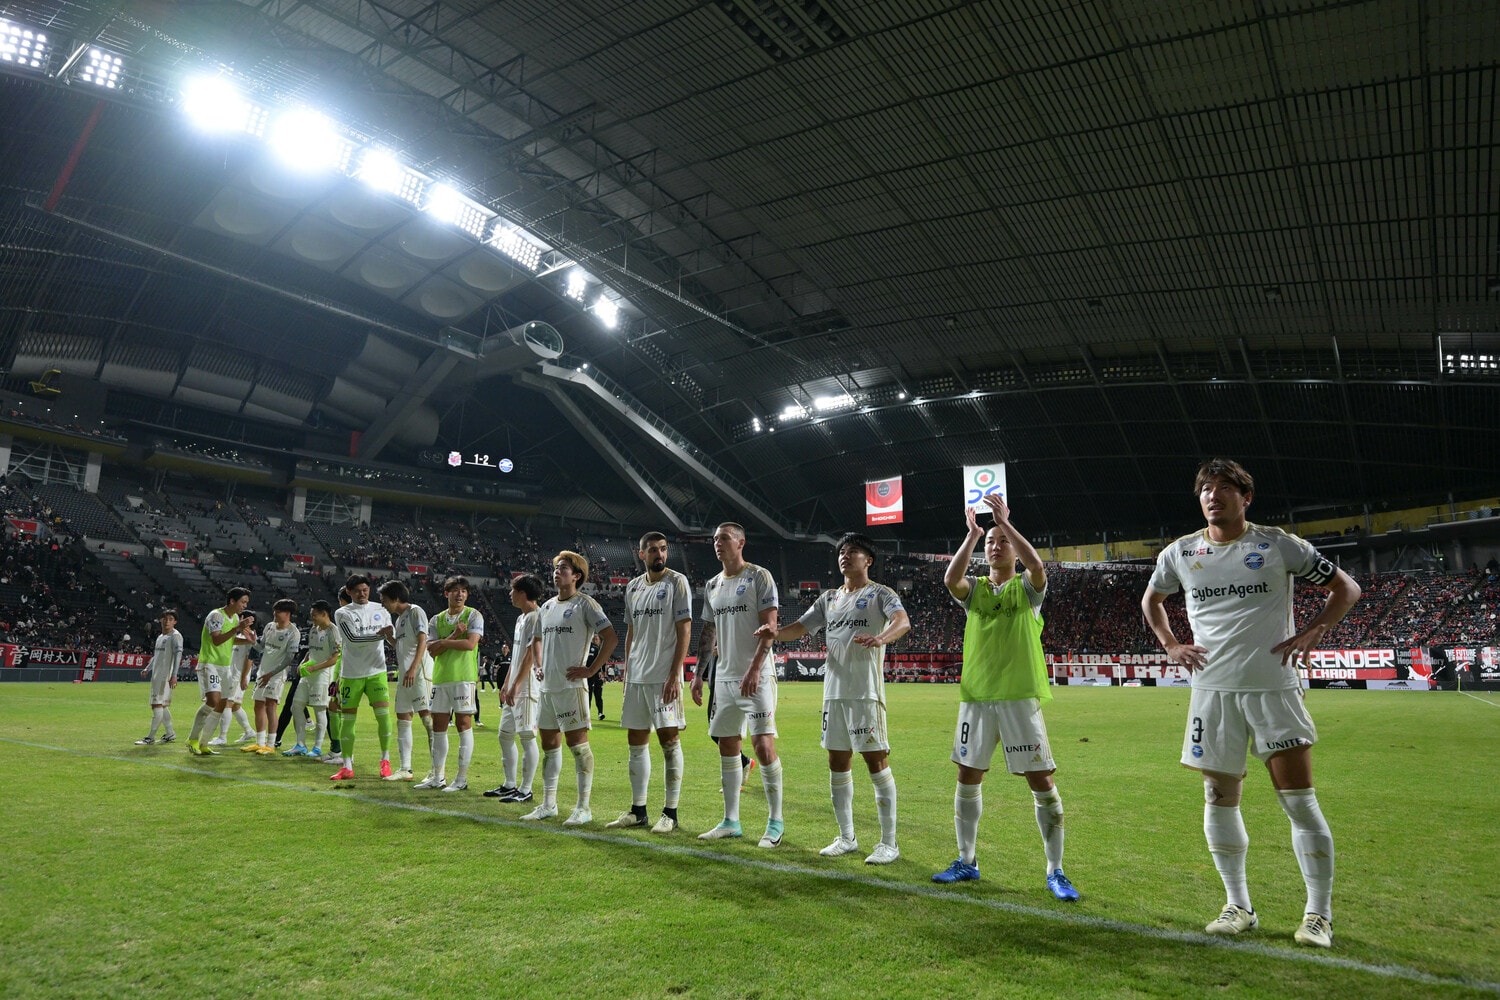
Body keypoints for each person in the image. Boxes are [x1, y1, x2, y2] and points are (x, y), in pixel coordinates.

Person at [1142, 458, 1360, 949]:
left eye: (1223, 488)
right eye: (1204, 489)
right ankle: (1238, 905)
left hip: (1273, 689)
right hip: (1211, 693)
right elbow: (1151, 601)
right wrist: (1171, 644)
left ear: (1246, 497)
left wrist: (1314, 630)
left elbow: (1346, 589)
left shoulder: (1277, 544)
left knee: (1300, 803)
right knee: (1219, 800)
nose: (1212, 496)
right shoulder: (1180, 552)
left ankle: (1318, 915)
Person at [931, 495, 1081, 902]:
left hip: (1018, 698)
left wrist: (1005, 523)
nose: (995, 546)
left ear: (1013, 547)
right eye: (990, 543)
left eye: (1002, 541)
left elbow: (1037, 567)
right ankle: (967, 861)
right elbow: (950, 580)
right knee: (967, 775)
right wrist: (973, 534)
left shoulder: (1027, 591)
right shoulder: (975, 591)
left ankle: (1056, 870)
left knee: (1040, 779)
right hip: (977, 697)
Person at [759, 532, 909, 864]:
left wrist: (881, 637)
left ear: (867, 560)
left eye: (853, 551)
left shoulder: (880, 593)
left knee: (876, 761)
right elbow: (800, 627)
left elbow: (902, 621)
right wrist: (776, 633)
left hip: (865, 693)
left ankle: (889, 843)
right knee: (837, 762)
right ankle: (847, 837)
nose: (845, 556)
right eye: (842, 551)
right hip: (833, 694)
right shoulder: (829, 598)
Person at [691, 522, 784, 847]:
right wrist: (699, 674)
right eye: (715, 539)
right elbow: (708, 633)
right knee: (727, 745)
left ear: (741, 542)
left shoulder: (759, 576)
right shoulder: (714, 584)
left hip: (756, 676)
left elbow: (770, 627)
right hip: (726, 676)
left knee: (763, 746)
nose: (718, 544)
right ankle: (731, 820)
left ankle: (775, 822)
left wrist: (755, 669)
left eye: (725, 538)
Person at [605, 531, 693, 834]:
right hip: (638, 676)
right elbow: (631, 632)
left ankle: (670, 812)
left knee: (669, 742)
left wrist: (674, 674)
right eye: (653, 550)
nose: (659, 555)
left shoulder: (677, 583)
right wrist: (628, 670)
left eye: (663, 549)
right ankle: (638, 810)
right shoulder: (632, 587)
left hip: (663, 676)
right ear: (641, 554)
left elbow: (685, 630)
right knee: (636, 743)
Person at [520, 552, 616, 824]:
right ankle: (549, 804)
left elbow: (610, 637)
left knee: (578, 747)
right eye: (556, 568)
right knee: (549, 746)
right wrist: (537, 664)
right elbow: (536, 640)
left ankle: (583, 808)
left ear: (577, 576)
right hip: (547, 689)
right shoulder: (547, 607)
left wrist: (591, 669)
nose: (557, 572)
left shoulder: (586, 604)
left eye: (563, 568)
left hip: (571, 687)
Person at [414, 576, 484, 792]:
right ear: (446, 593)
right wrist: (453, 635)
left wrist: (443, 642)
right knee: (438, 727)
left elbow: (470, 644)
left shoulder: (474, 615)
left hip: (463, 678)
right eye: (455, 590)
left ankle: (461, 780)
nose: (460, 594)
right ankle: (438, 777)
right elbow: (431, 650)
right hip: (441, 678)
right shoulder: (436, 620)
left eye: (463, 590)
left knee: (464, 724)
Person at [330, 575, 394, 781]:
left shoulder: (381, 609)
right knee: (348, 719)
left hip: (377, 671)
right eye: (357, 590)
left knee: (383, 716)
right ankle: (347, 765)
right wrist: (381, 635)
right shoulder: (342, 613)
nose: (362, 593)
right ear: (349, 592)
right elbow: (353, 639)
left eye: (365, 589)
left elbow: (392, 634)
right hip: (351, 674)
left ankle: (385, 761)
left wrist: (390, 636)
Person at [488, 575, 543, 802]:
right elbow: (517, 655)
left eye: (512, 590)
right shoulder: (521, 619)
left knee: (527, 737)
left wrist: (517, 684)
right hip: (514, 686)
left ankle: (526, 789)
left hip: (528, 687)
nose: (509, 594)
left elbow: (530, 655)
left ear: (522, 593)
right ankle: (510, 784)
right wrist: (506, 683)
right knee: (505, 735)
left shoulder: (536, 618)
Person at [377, 580, 434, 782]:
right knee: (403, 718)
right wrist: (388, 637)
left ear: (395, 598)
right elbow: (402, 646)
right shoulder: (400, 618)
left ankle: (437, 771)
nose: (383, 604)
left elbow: (422, 641)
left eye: (384, 600)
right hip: (405, 675)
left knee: (428, 720)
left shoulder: (415, 612)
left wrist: (412, 668)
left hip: (418, 673)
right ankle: (406, 769)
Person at [186, 587, 253, 756]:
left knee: (222, 705)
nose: (244, 606)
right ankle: (193, 738)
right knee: (213, 701)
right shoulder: (216, 615)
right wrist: (237, 629)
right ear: (232, 601)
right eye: (243, 602)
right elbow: (216, 640)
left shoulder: (235, 617)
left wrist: (247, 641)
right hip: (210, 663)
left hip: (225, 667)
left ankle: (204, 743)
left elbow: (230, 640)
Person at [284, 601, 339, 758]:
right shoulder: (314, 630)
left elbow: (335, 658)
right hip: (309, 673)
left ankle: (317, 747)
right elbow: (311, 651)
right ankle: (300, 745)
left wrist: (314, 668)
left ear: (324, 614)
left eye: (314, 615)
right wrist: (303, 663)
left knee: (320, 710)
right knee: (296, 706)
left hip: (323, 675)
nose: (311, 618)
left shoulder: (333, 631)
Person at [246, 600, 300, 755]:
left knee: (271, 706)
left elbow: (289, 658)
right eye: (274, 611)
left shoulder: (293, 632)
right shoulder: (270, 626)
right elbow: (261, 646)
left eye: (278, 611)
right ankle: (259, 742)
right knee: (258, 705)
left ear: (287, 613)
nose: (275, 614)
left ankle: (271, 744)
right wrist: (252, 641)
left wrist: (272, 673)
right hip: (263, 672)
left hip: (276, 675)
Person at [135, 610, 183, 745]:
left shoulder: (176, 636)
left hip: (165, 677)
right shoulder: (160, 636)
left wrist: (174, 675)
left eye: (171, 619)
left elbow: (178, 656)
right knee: (162, 705)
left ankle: (150, 737)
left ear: (175, 622)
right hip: (157, 675)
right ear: (160, 620)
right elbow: (157, 656)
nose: (167, 621)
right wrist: (147, 668)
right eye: (165, 618)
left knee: (156, 704)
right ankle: (170, 733)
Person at [210, 611, 258, 747]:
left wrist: (243, 678)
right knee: (235, 706)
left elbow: (250, 660)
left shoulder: (252, 637)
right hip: (232, 675)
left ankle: (222, 737)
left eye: (241, 618)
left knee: (226, 704)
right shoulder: (239, 636)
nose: (238, 620)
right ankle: (249, 731)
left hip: (237, 676)